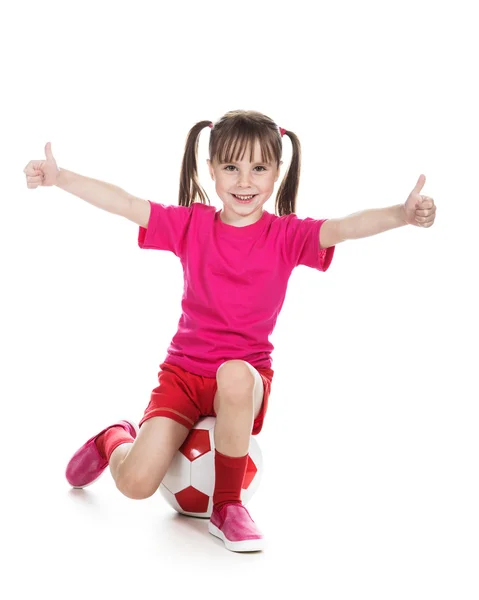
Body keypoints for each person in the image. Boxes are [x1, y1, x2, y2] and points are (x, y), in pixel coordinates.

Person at [23, 109, 437, 553]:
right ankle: (113, 439)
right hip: (183, 375)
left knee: (235, 372)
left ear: (278, 172)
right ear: (212, 170)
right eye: (231, 167)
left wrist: (402, 213)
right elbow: (126, 203)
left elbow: (346, 227)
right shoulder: (191, 226)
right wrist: (59, 178)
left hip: (244, 379)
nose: (245, 181)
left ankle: (228, 506)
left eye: (259, 168)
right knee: (137, 484)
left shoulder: (286, 235)